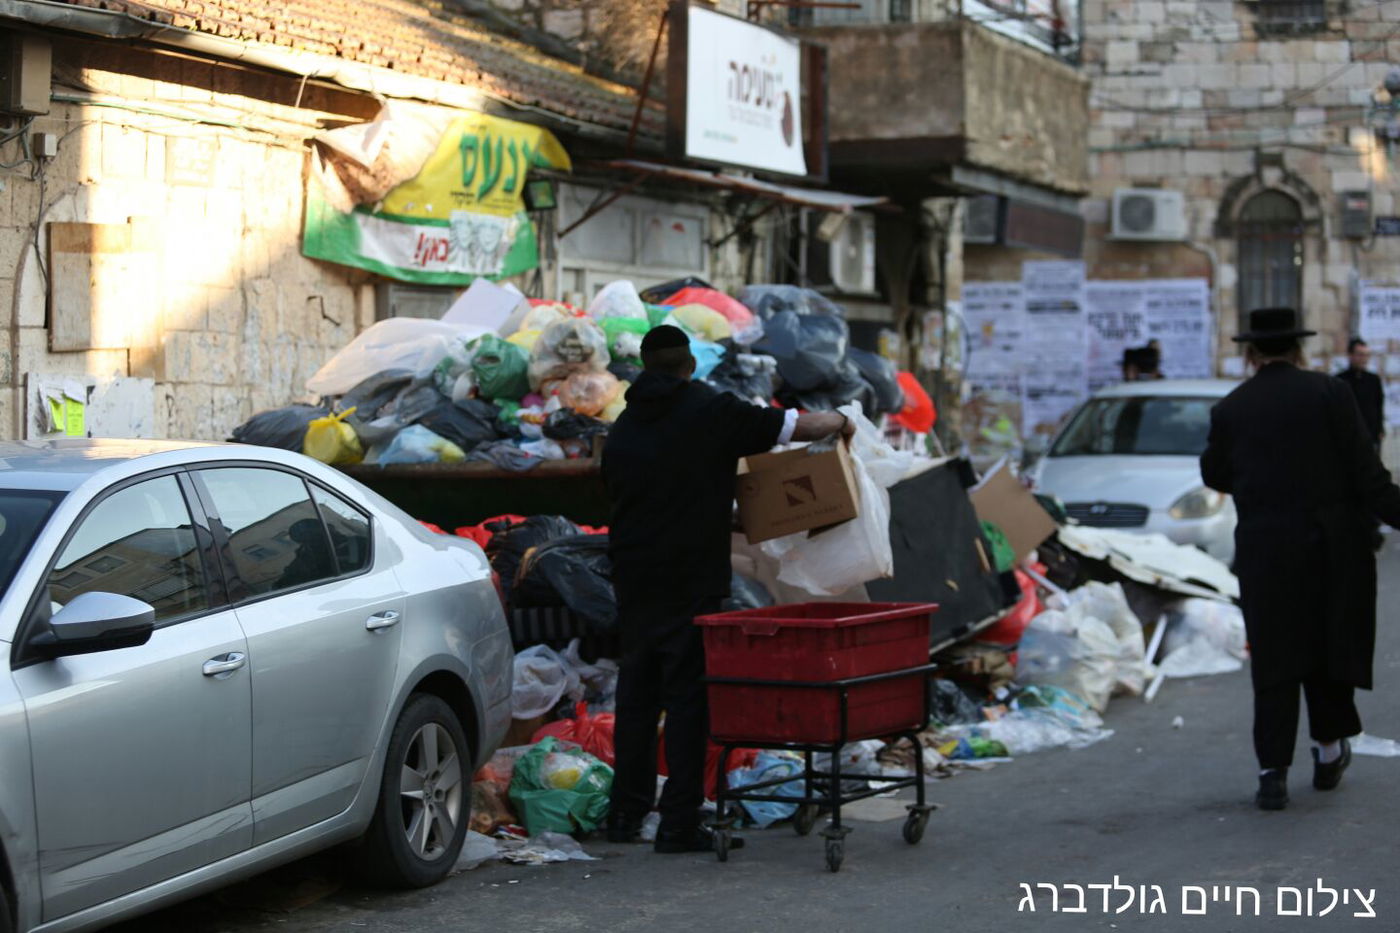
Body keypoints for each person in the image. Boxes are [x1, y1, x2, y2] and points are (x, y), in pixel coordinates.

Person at [601, 325, 854, 852]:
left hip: (633, 576)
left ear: (646, 368)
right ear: (689, 365)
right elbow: (797, 427)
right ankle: (678, 823)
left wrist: (730, 516)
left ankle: (625, 816)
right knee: (689, 700)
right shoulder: (709, 409)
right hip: (690, 578)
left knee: (638, 698)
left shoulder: (624, 426)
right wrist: (845, 421)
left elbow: (662, 495)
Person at [1200, 307, 1400, 811]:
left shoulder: (1231, 409)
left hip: (1267, 553)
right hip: (1332, 549)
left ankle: (1273, 773)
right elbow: (1366, 474)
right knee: (1327, 649)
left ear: (1250, 354)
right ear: (1298, 350)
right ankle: (1329, 752)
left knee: (1275, 657)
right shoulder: (1331, 394)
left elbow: (1215, 475)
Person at [1336, 337, 1384, 449]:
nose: (1364, 359)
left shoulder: (1373, 380)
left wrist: (1380, 429)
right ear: (1350, 355)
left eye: (1366, 355)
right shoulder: (1339, 380)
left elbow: (1379, 404)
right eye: (1360, 355)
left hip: (1370, 435)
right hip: (1348, 437)